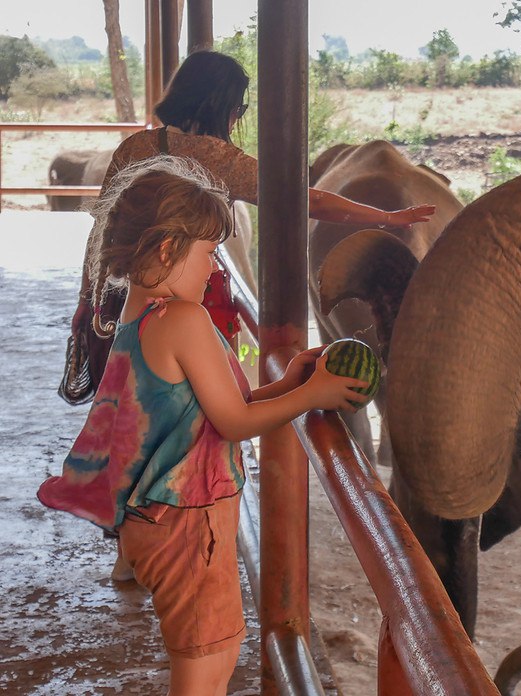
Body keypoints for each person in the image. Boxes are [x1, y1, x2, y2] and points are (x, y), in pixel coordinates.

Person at [39, 156, 368, 696]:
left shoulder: (141, 314)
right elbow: (235, 421)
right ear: (168, 249)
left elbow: (216, 407)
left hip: (162, 521)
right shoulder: (184, 321)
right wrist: (315, 395)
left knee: (211, 656)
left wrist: (290, 384)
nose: (217, 268)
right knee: (203, 671)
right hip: (190, 527)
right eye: (210, 252)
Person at [60, 49, 435, 406]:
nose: (237, 118)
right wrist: (386, 217)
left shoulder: (133, 149)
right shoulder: (223, 160)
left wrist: (84, 298)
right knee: (204, 406)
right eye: (238, 107)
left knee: (137, 405)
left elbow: (101, 235)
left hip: (126, 299)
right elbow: (310, 200)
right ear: (220, 107)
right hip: (198, 304)